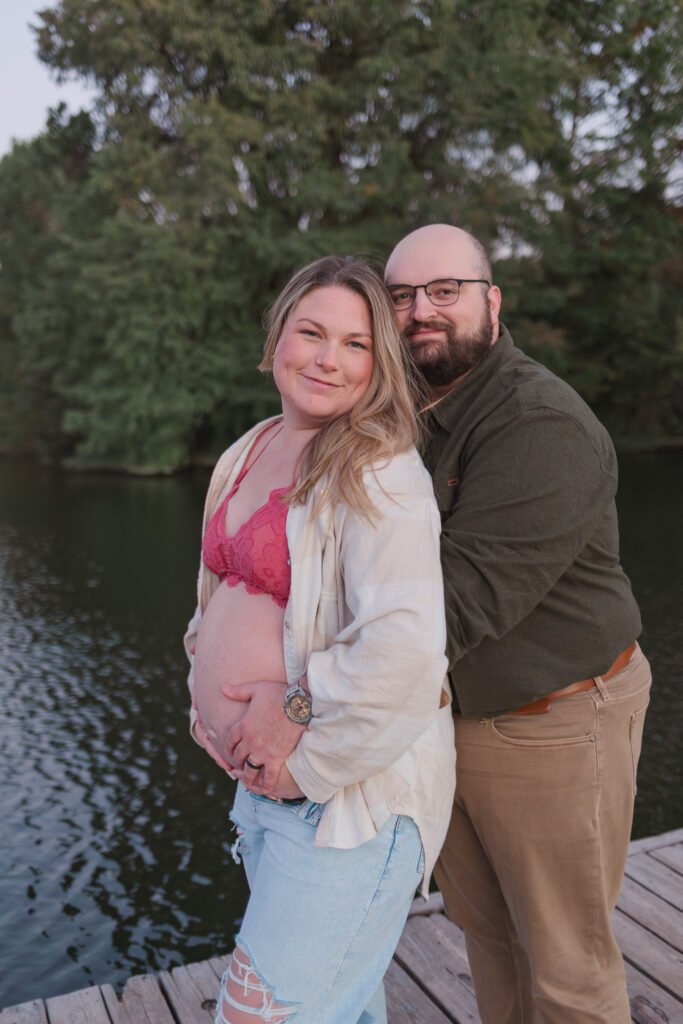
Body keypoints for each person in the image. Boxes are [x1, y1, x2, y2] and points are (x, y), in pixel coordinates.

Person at [382, 223, 651, 1024]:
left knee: (566, 966)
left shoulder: (538, 424)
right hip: (448, 718)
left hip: (551, 720)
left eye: (443, 291)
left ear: (490, 302)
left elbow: (453, 608)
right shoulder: (407, 412)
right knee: (488, 935)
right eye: (400, 296)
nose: (420, 310)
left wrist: (298, 701)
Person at [183, 255, 455, 1024]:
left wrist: (296, 718)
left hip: (344, 803)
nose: (327, 359)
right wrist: (203, 693)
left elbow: (405, 655)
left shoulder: (378, 472)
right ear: (277, 340)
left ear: (378, 367)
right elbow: (215, 600)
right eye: (310, 332)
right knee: (340, 1009)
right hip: (265, 789)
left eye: (356, 344)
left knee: (258, 1016)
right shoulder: (250, 447)